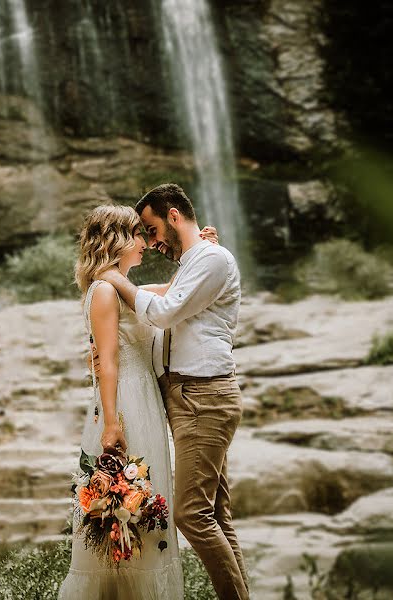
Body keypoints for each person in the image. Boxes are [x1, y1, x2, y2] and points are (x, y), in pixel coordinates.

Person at [97, 183, 249, 599]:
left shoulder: (212, 259)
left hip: (204, 396)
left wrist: (111, 277)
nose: (150, 241)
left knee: (191, 515)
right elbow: (158, 300)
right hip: (188, 397)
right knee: (214, 513)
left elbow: (163, 314)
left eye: (151, 229)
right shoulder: (194, 262)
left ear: (173, 216)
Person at [58, 204, 184, 600]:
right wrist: (112, 423)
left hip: (141, 401)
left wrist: (200, 251)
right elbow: (108, 361)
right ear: (115, 240)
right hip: (124, 404)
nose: (144, 243)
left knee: (144, 513)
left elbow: (175, 294)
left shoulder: (120, 288)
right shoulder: (106, 291)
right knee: (127, 510)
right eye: (136, 234)